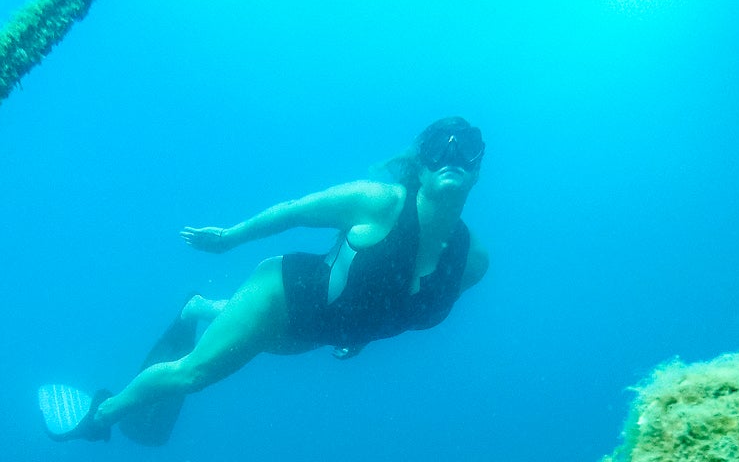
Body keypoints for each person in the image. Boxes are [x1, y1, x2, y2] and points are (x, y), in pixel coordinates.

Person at [38, 116, 491, 444]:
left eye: (466, 146)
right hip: (283, 296)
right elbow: (295, 210)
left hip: (319, 330)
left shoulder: (471, 262)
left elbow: (396, 303)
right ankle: (100, 416)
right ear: (421, 162)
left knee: (262, 343)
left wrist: (364, 338)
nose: (452, 155)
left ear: (479, 166)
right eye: (438, 147)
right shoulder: (378, 201)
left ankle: (199, 307)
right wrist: (229, 239)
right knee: (193, 374)